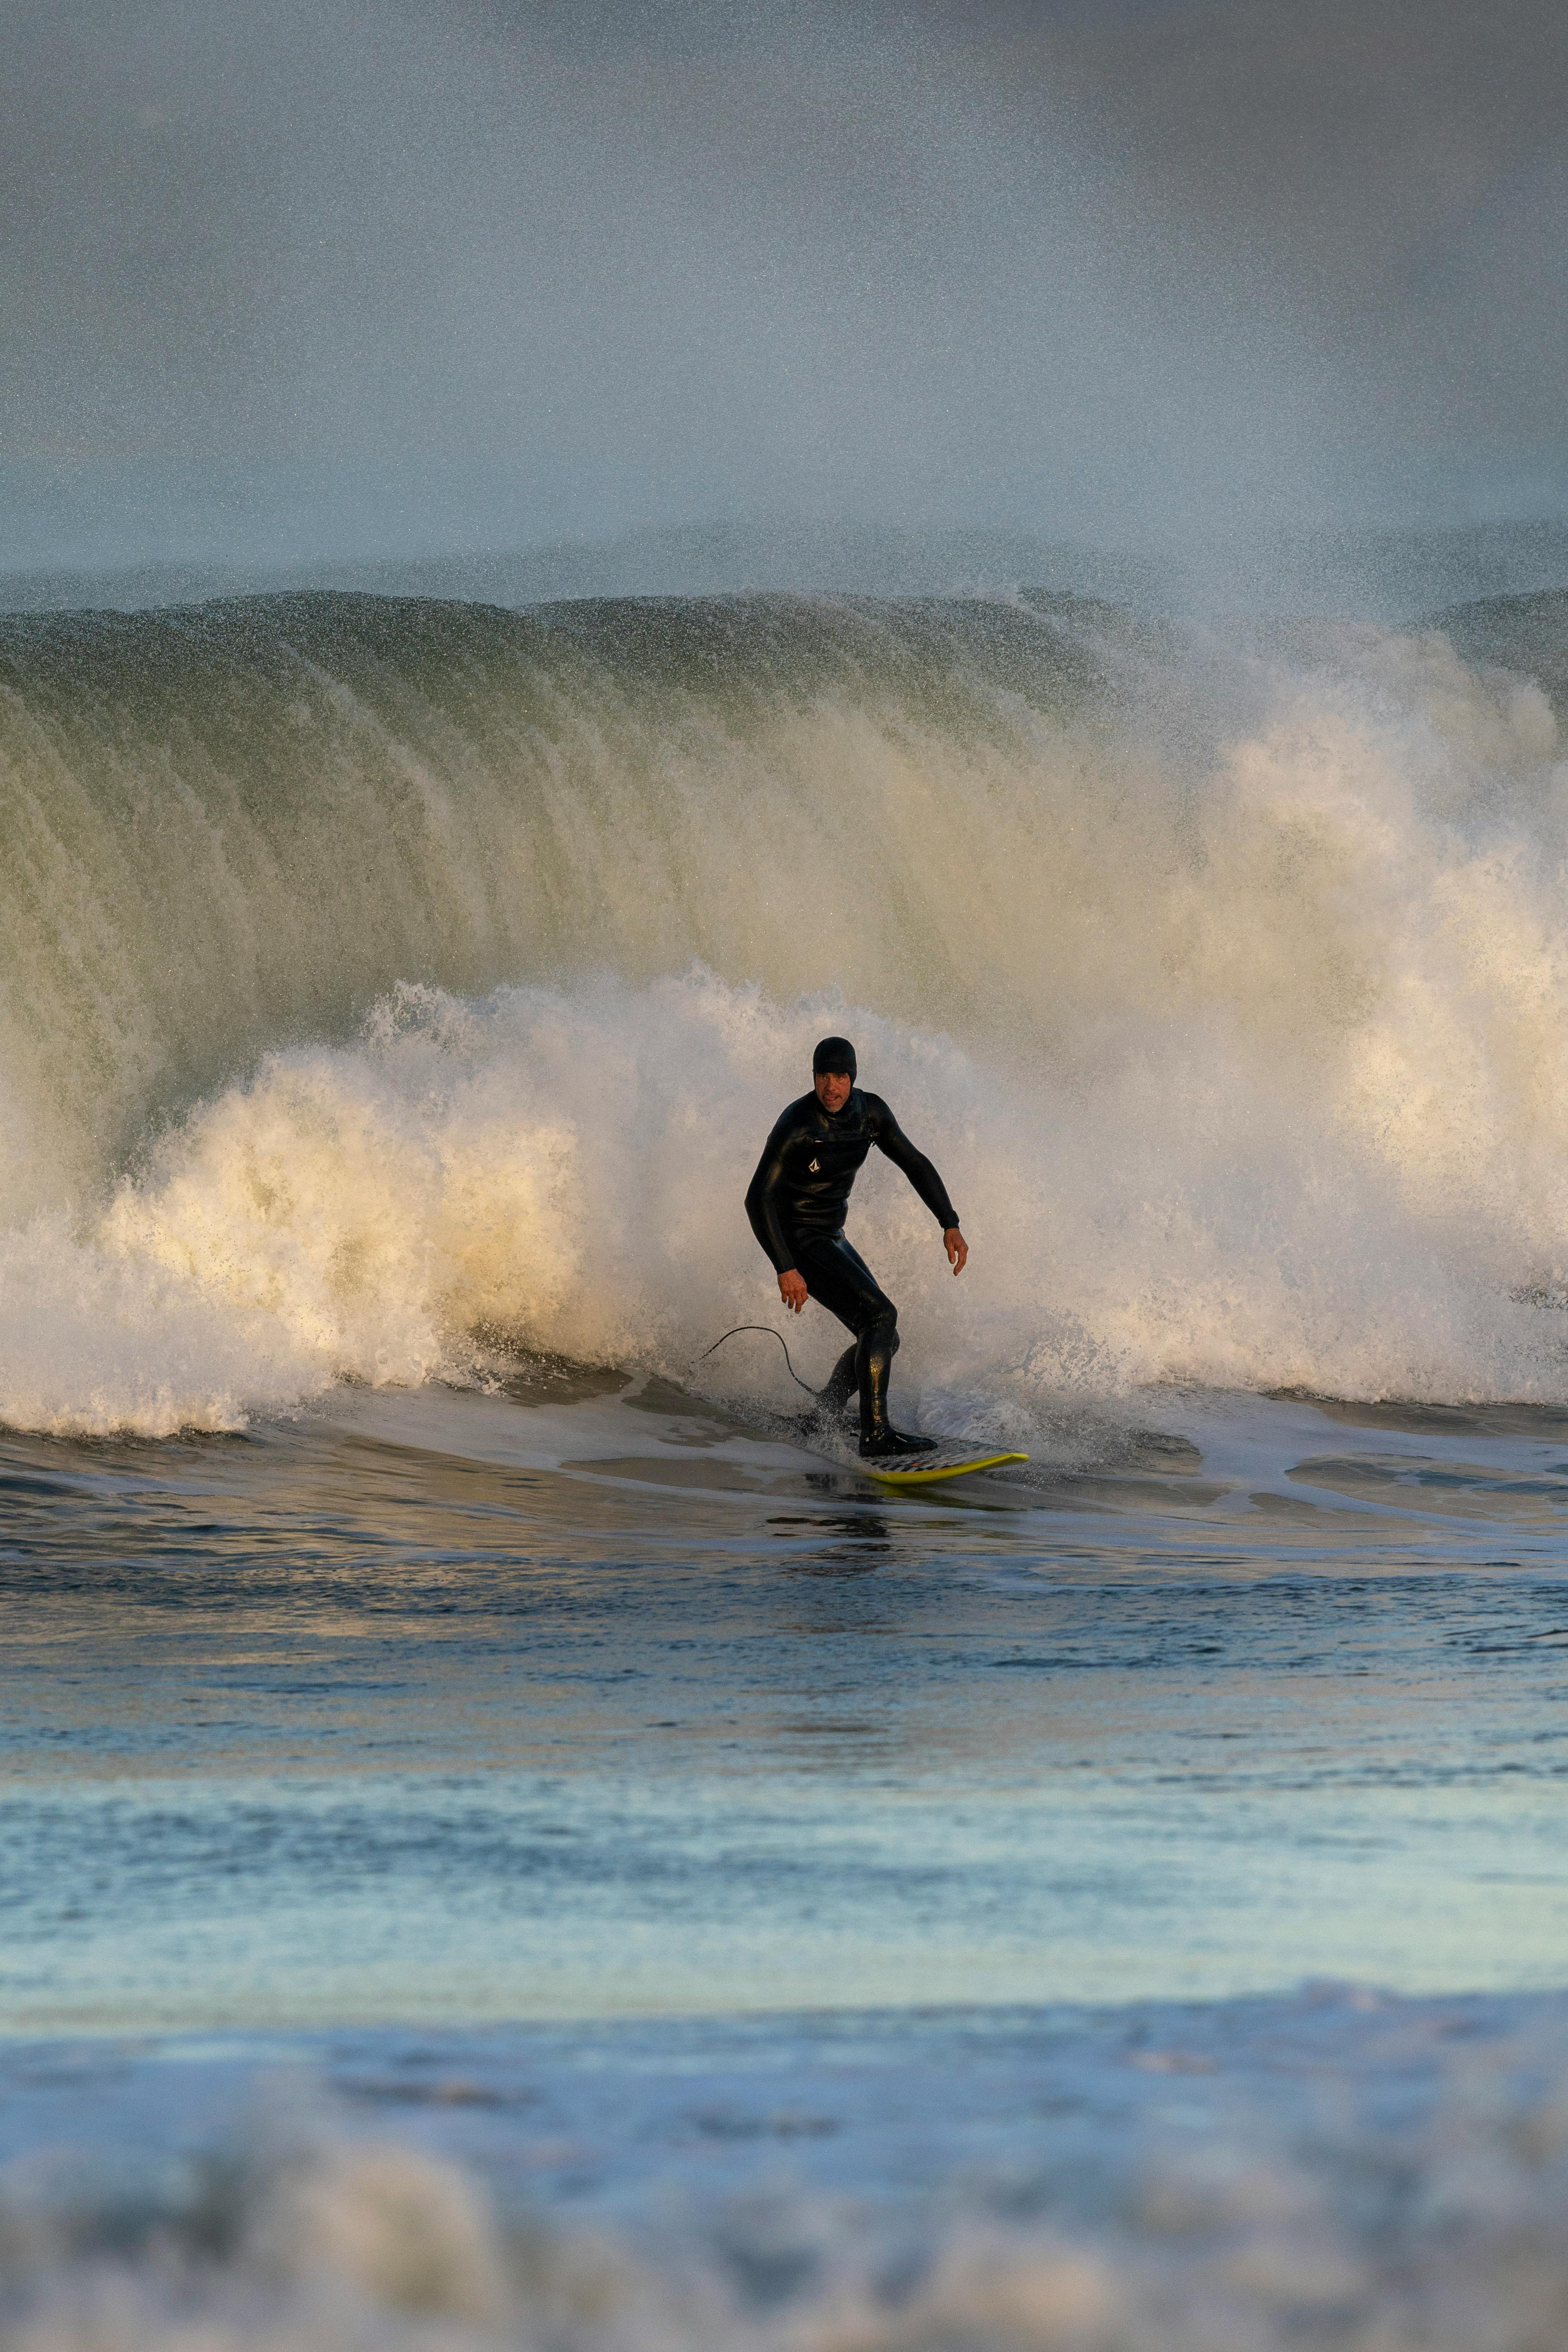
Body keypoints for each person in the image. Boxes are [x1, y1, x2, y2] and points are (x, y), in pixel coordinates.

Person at [745, 1035, 968, 1458]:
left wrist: (949, 1223)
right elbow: (758, 1199)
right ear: (813, 1078)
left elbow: (914, 1162)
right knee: (880, 1317)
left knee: (884, 1334)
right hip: (797, 1239)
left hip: (831, 1235)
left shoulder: (871, 1114)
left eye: (841, 1077)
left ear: (853, 1079)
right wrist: (785, 1267)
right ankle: (876, 1435)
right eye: (823, 1076)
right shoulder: (797, 1124)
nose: (831, 1086)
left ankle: (824, 1414)